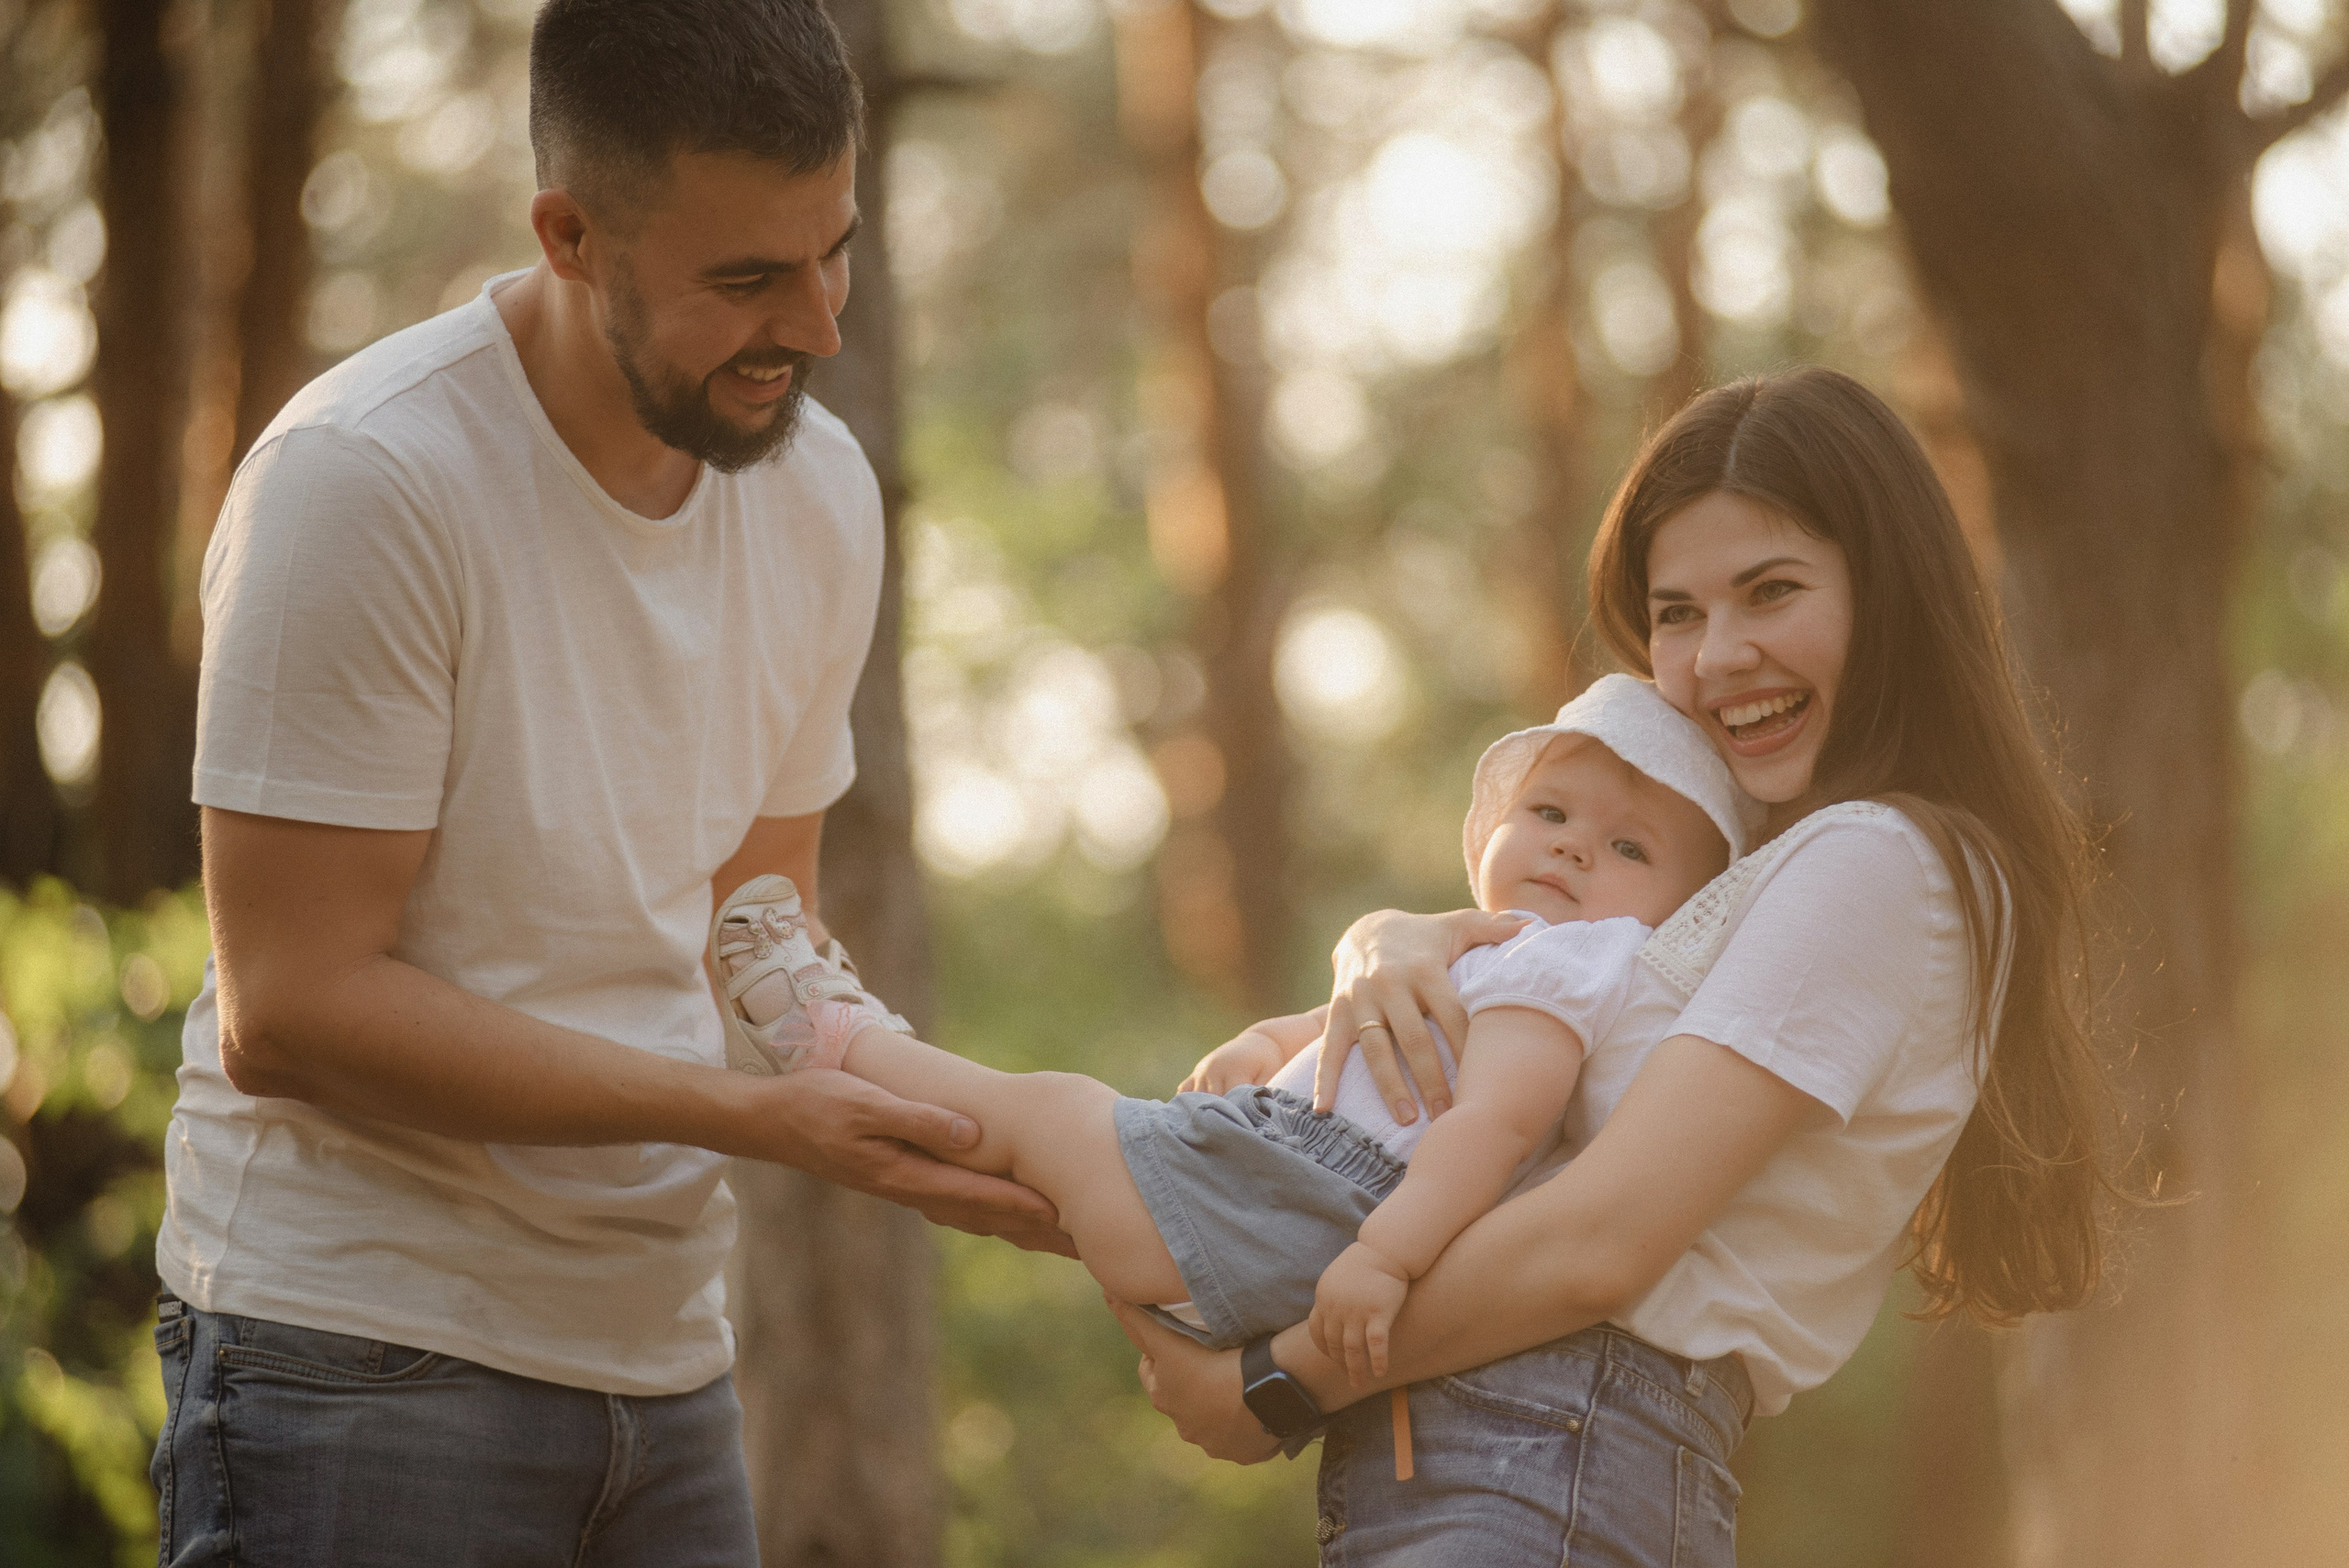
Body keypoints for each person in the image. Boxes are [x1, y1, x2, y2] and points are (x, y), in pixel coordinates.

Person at [150, 3, 1061, 1562]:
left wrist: (1014, 1133)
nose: (821, 325)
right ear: (570, 235)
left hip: (665, 1370)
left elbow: (758, 930)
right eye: (746, 279)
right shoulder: (367, 483)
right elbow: (290, 1007)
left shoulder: (821, 488)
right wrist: (756, 1120)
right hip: (358, 1360)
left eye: (833, 248)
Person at [1113, 366, 2121, 1566]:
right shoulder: (1787, 867)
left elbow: (1603, 1237)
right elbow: (1548, 997)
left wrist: (1281, 1381)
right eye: (1678, 614)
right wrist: (1394, 937)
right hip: (1515, 1443)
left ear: (1891, 593)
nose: (1716, 657)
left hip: (1568, 1440)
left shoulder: (1877, 862)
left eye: (1771, 591)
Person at [708, 675, 1752, 1386]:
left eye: (1625, 845)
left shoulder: (1576, 960)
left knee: (1051, 1112)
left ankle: (828, 1034)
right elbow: (1371, 1034)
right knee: (1025, 1168)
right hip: (1283, 1190)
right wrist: (1269, 1045)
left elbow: (1494, 1121)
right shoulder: (1495, 943)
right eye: (1552, 814)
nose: (1571, 852)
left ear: (1677, 907)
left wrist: (1384, 1256)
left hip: (1317, 1200)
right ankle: (845, 1061)